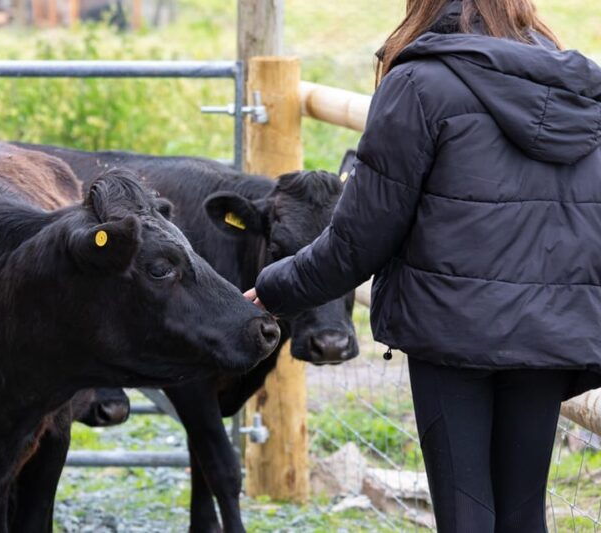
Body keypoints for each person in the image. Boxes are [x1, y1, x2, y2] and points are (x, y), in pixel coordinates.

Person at [244, 1, 601, 531]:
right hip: (547, 334)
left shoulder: (419, 84)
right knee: (525, 514)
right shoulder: (577, 87)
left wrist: (274, 289)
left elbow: (357, 239)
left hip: (451, 330)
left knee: (465, 515)